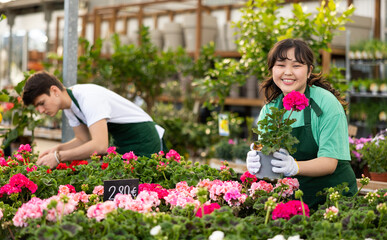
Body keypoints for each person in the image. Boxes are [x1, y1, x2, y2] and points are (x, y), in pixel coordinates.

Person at [246, 38, 357, 209]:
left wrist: (294, 166)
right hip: (294, 201)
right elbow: (268, 158)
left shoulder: (326, 103)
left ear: (309, 70)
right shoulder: (270, 110)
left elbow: (329, 163)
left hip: (334, 198)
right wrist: (258, 161)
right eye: (281, 65)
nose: (288, 72)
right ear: (272, 69)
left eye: (296, 66)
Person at [22, 71, 166, 169]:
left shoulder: (88, 97)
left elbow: (100, 146)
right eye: (37, 107)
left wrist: (59, 157)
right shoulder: (69, 107)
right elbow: (83, 139)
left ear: (54, 91)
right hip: (122, 142)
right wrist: (56, 149)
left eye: (41, 103)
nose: (41, 110)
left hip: (143, 138)